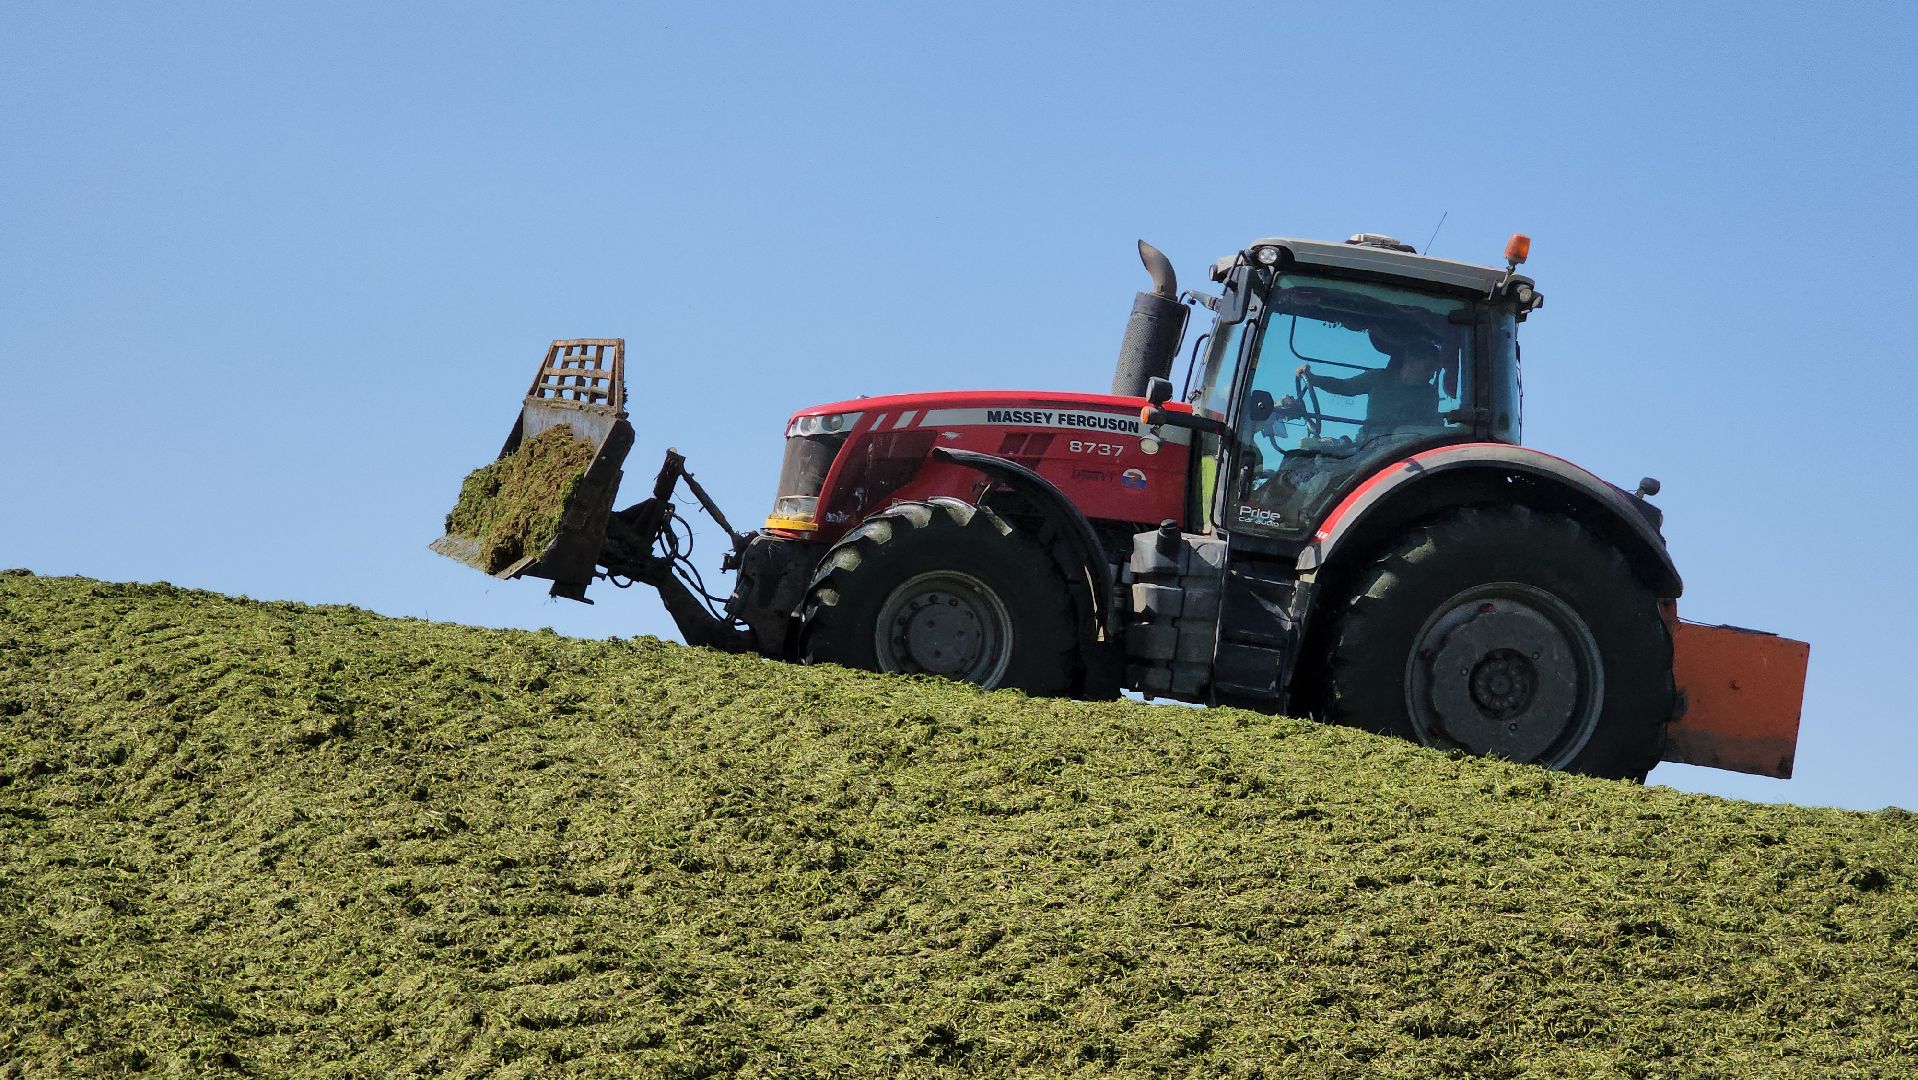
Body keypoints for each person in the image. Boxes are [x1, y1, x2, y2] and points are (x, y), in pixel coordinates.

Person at [1296, 325, 1446, 439]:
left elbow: (1428, 424)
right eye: (1428, 368)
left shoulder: (1429, 393)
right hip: (1370, 441)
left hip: (1404, 446)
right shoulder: (1378, 377)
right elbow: (1344, 386)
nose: (1431, 375)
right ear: (1411, 362)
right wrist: (1314, 379)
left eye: (1434, 370)